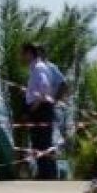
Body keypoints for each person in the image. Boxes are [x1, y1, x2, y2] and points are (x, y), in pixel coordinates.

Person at [22, 42, 58, 179]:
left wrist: (34, 107)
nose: (22, 57)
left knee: (42, 142)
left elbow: (44, 88)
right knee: (38, 142)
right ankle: (45, 172)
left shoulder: (39, 68)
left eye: (23, 54)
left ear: (30, 54)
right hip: (40, 108)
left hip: (41, 109)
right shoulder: (35, 68)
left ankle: (47, 174)